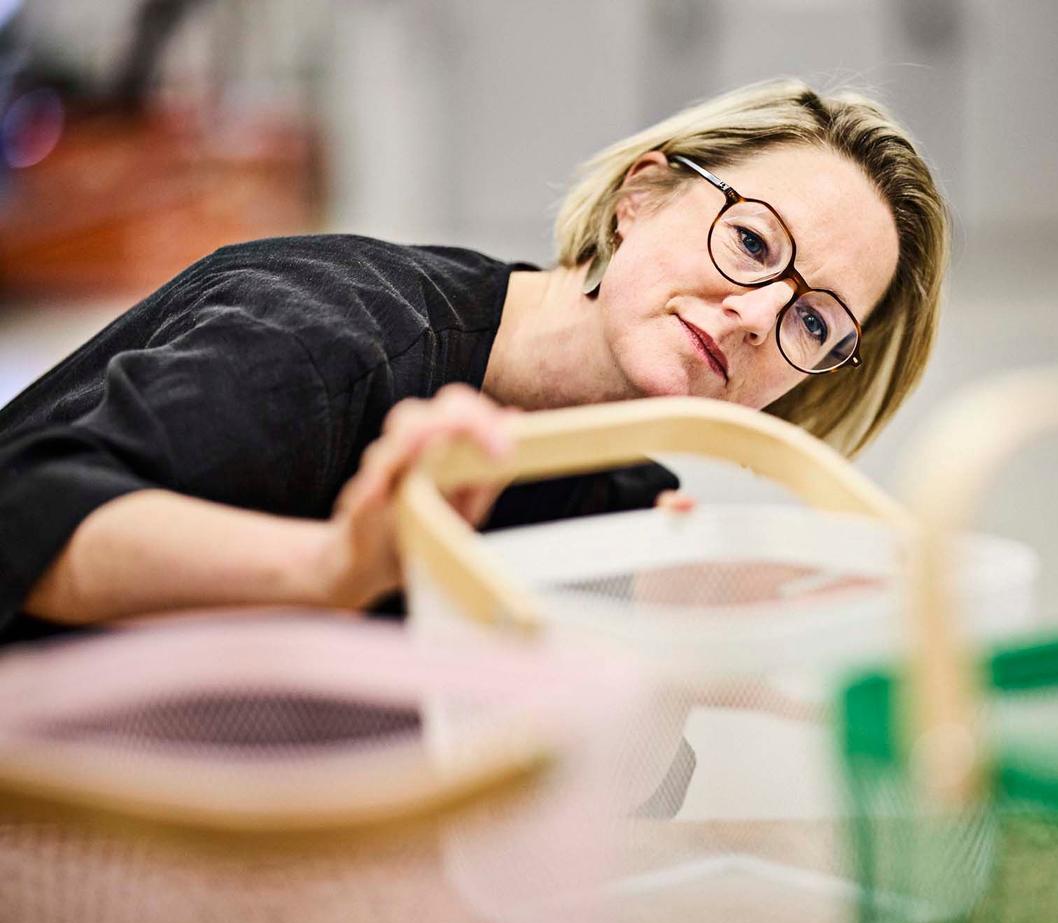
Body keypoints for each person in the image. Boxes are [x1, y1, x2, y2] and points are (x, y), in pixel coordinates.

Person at [0, 78, 948, 646]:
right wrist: (337, 564)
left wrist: (678, 654)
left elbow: (582, 800)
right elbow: (23, 513)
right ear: (643, 197)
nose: (756, 316)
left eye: (815, 323)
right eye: (751, 243)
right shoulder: (334, 336)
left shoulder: (614, 496)